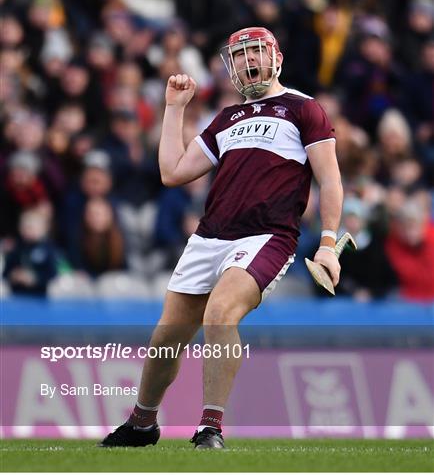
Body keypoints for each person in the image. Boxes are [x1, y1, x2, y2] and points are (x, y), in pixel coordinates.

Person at [100, 26, 343, 449]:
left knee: (220, 314)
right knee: (166, 337)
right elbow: (172, 172)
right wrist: (174, 108)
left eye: (256, 53)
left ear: (277, 59)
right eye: (240, 56)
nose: (249, 63)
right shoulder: (226, 118)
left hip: (267, 235)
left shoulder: (303, 109)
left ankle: (210, 426)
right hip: (209, 236)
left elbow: (330, 179)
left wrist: (327, 244)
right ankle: (142, 424)